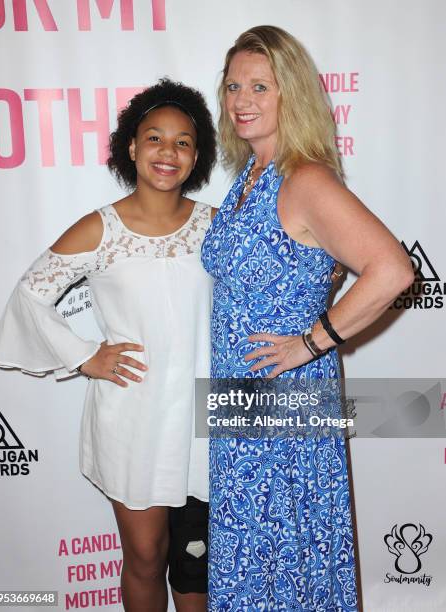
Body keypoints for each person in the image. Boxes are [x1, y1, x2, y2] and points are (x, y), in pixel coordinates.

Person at [201, 26, 414, 611]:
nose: (241, 99)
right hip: (238, 404)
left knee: (284, 557)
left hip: (284, 399)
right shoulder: (249, 178)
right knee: (256, 558)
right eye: (233, 85)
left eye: (260, 87)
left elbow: (392, 270)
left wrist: (309, 342)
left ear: (290, 94)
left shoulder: (305, 179)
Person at [0, 79, 217, 612]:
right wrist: (85, 356)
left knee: (195, 560)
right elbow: (29, 297)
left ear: (197, 154)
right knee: (143, 556)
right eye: (155, 138)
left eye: (183, 142)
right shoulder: (102, 228)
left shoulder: (215, 226)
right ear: (132, 147)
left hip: (204, 419)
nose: (168, 152)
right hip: (133, 414)